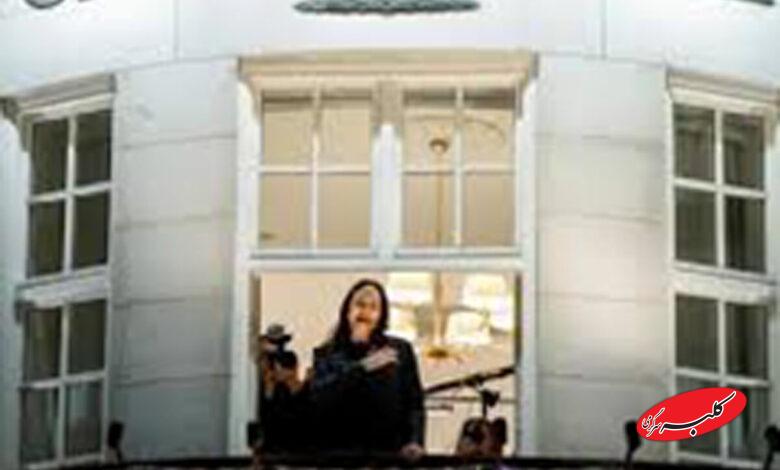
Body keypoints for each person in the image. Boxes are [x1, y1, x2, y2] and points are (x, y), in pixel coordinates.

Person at [309, 278, 425, 460]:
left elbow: (414, 403)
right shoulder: (326, 353)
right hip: (340, 453)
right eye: (360, 304)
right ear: (347, 310)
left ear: (381, 316)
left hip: (389, 452)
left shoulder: (400, 350)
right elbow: (320, 400)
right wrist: (362, 367)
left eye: (373, 308)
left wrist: (415, 441)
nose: (365, 313)